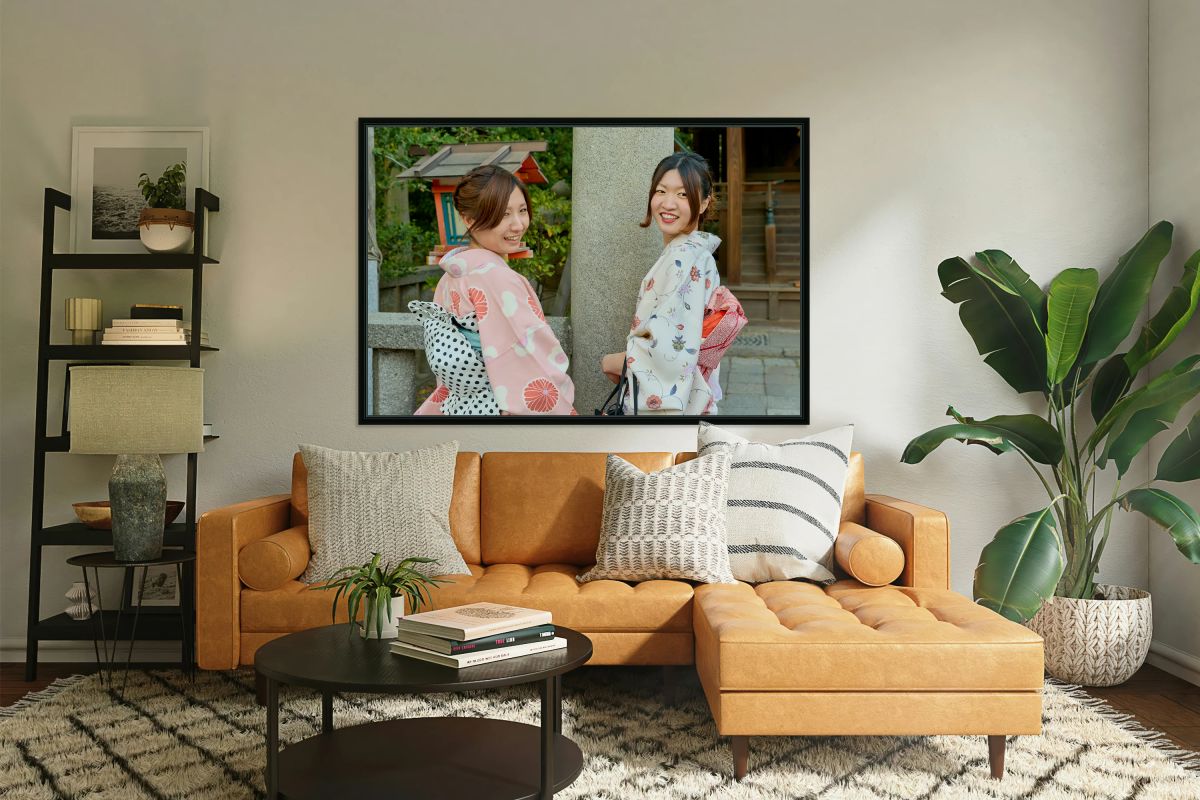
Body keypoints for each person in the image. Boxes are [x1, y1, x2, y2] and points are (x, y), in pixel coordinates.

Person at [415, 165, 575, 415]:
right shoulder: (497, 277)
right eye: (503, 215)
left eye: (522, 211)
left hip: (462, 407)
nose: (518, 225)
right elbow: (528, 352)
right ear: (468, 219)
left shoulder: (451, 276)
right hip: (500, 408)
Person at [601, 152, 724, 414]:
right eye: (661, 191)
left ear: (703, 203)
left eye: (682, 194)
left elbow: (671, 350)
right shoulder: (696, 253)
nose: (668, 203)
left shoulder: (682, 257)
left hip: (670, 410)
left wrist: (612, 362)